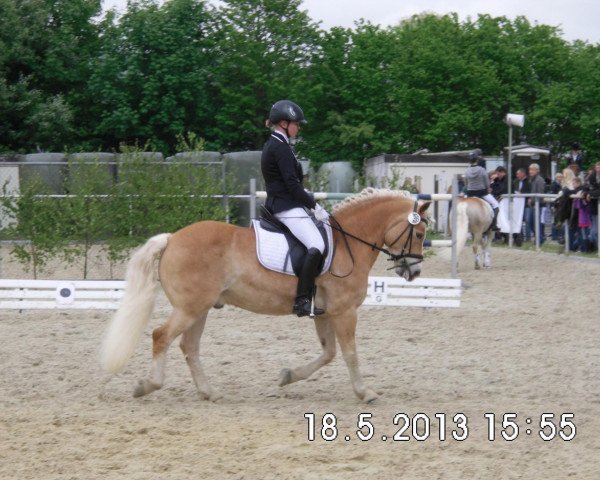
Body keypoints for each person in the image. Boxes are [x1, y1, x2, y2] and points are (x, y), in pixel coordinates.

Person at [261, 100, 328, 317]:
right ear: (283, 123)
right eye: (296, 124)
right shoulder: (279, 147)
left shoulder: (278, 144)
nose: (298, 128)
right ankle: (302, 299)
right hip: (285, 207)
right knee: (317, 244)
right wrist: (314, 205)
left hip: (286, 203)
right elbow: (292, 185)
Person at [464, 149, 499, 230]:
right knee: (496, 205)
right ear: (477, 159)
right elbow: (486, 182)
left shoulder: (466, 171)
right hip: (482, 193)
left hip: (469, 193)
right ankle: (494, 225)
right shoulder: (482, 170)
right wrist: (488, 188)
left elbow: (466, 184)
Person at [525, 163, 546, 245]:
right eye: (530, 169)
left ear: (537, 171)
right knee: (530, 221)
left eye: (532, 170)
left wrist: (532, 199)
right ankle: (539, 237)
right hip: (533, 204)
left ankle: (540, 239)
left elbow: (540, 193)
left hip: (538, 204)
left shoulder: (539, 180)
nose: (530, 171)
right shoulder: (532, 179)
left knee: (536, 222)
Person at [511, 168, 530, 246]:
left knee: (527, 220)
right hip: (517, 204)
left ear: (523, 173)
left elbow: (530, 191)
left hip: (526, 204)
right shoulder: (515, 181)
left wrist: (522, 193)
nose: (517, 175)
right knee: (518, 221)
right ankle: (520, 237)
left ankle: (528, 237)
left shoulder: (529, 181)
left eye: (518, 174)